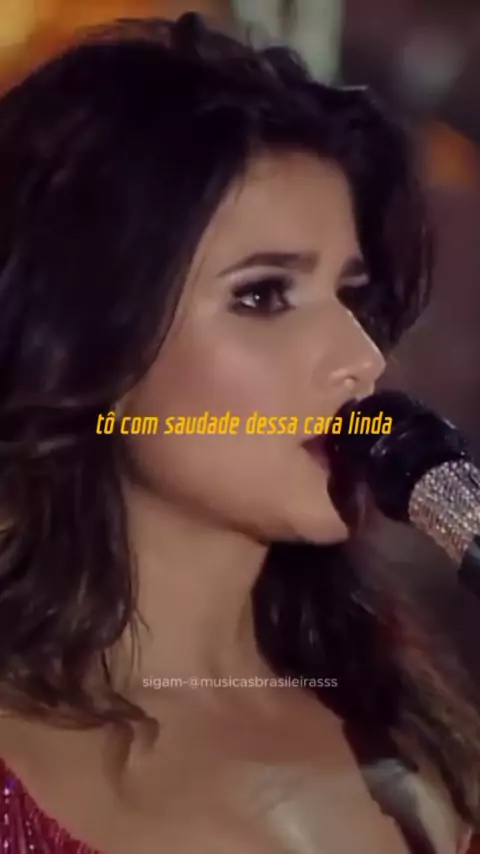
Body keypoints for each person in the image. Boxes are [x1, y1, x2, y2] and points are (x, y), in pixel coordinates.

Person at [0, 11, 478, 854]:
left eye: (352, 296)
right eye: (263, 295)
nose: (361, 361)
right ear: (85, 339)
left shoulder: (416, 724)